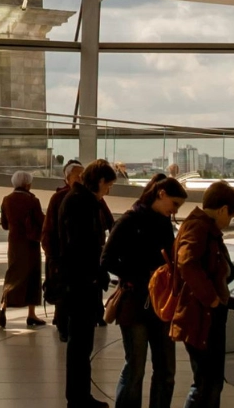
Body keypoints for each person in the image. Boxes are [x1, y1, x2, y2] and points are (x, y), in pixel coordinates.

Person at [103, 176, 184, 408]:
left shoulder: (163, 223)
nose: (175, 211)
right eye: (175, 204)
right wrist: (139, 277)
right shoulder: (129, 220)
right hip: (135, 302)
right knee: (136, 367)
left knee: (166, 369)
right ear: (161, 194)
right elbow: (107, 259)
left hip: (161, 304)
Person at [50, 160, 116, 408]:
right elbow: (83, 245)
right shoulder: (82, 203)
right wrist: (96, 273)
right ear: (99, 181)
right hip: (81, 282)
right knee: (81, 343)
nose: (108, 190)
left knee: (80, 344)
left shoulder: (76, 199)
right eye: (108, 184)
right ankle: (78, 398)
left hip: (78, 279)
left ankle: (79, 396)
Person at [173, 181, 234, 408]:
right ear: (222, 209)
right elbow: (187, 262)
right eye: (231, 215)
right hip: (203, 316)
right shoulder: (199, 228)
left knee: (209, 381)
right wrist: (211, 299)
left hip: (206, 315)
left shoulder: (203, 228)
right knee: (205, 383)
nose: (229, 222)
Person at [0, 171, 45, 330]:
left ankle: (3, 304)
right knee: (32, 275)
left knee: (13, 273)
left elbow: (4, 224)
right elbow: (41, 221)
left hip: (14, 242)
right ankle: (31, 314)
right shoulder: (32, 200)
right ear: (27, 184)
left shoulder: (7, 200)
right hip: (30, 243)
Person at [43, 160, 84, 337]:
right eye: (78, 176)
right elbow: (49, 228)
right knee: (64, 292)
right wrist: (52, 254)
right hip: (63, 254)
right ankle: (63, 327)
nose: (81, 179)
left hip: (79, 254)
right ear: (67, 178)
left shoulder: (87, 197)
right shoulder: (59, 198)